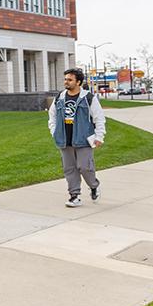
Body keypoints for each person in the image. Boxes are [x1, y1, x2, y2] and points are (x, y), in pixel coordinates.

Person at [48, 68, 106, 208]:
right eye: (65, 79)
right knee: (69, 169)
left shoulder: (88, 98)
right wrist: (54, 131)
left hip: (83, 139)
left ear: (78, 82)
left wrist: (99, 136)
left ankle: (93, 185)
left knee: (85, 167)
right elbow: (52, 116)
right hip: (64, 139)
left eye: (70, 79)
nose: (66, 82)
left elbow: (99, 118)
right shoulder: (60, 97)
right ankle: (74, 195)